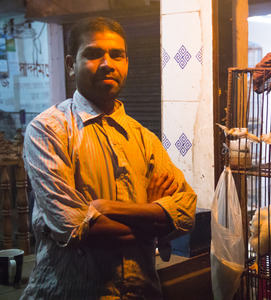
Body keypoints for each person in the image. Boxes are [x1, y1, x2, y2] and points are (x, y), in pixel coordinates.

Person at [20, 16, 197, 299]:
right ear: (70, 65)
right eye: (93, 54)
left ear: (126, 63)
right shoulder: (48, 130)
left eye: (117, 55)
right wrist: (154, 217)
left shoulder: (144, 139)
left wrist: (104, 207)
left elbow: (186, 213)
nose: (107, 63)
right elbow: (77, 226)